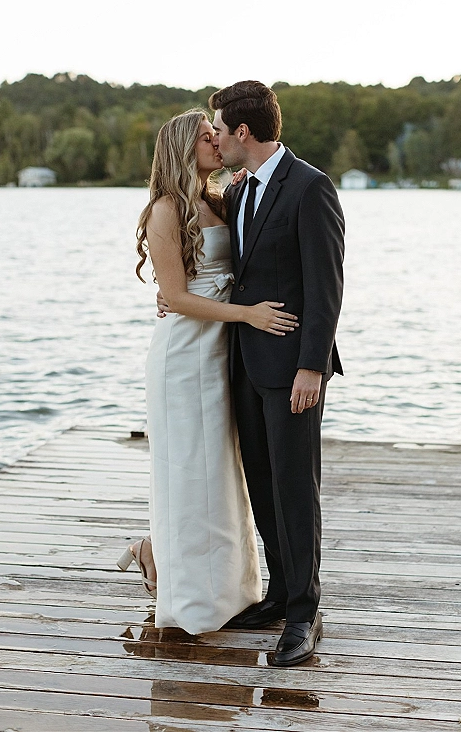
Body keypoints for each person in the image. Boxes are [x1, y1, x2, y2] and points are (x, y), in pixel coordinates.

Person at [160, 81, 345, 666]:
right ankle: (279, 593)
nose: (214, 137)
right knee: (261, 482)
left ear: (243, 133)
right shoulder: (236, 193)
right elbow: (228, 272)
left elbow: (326, 290)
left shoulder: (311, 188)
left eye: (219, 128)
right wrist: (180, 295)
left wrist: (312, 366)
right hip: (238, 364)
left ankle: (304, 612)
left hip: (293, 369)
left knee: (295, 485)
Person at [117, 108, 299, 635]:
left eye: (216, 134)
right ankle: (189, 594)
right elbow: (174, 297)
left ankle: (224, 588)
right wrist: (247, 313)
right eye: (205, 137)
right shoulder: (166, 211)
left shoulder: (222, 198)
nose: (216, 142)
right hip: (183, 357)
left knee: (222, 475)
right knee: (189, 474)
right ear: (182, 147)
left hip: (223, 355)